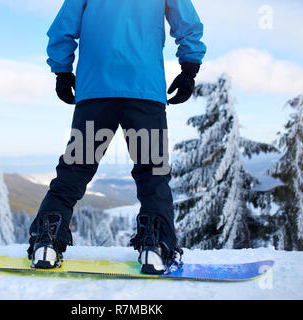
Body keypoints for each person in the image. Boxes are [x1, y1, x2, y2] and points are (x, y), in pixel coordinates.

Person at [28, 0, 206, 274]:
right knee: (153, 173)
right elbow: (188, 24)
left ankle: (46, 244)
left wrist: (62, 71)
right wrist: (189, 68)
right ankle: (155, 249)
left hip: (96, 92)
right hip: (144, 92)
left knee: (74, 171)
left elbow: (63, 29)